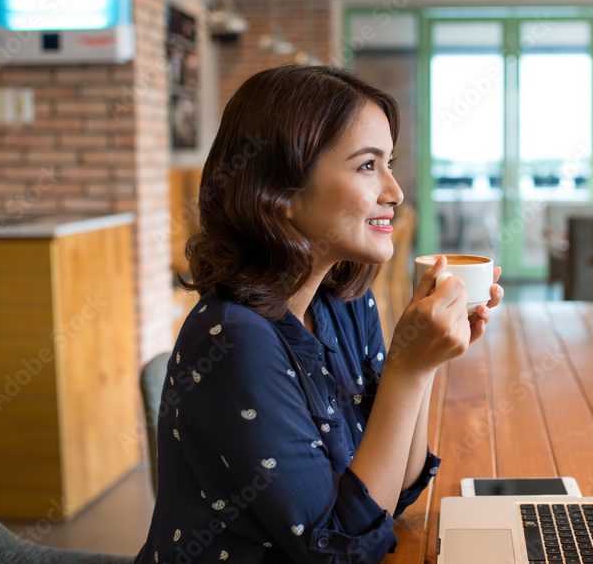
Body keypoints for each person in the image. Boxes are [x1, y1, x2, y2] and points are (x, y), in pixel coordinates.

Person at [135, 64, 503, 564]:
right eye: (367, 166)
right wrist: (407, 368)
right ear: (281, 192)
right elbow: (339, 552)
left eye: (389, 162)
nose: (394, 192)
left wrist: (424, 359)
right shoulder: (235, 339)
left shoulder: (345, 299)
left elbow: (388, 496)